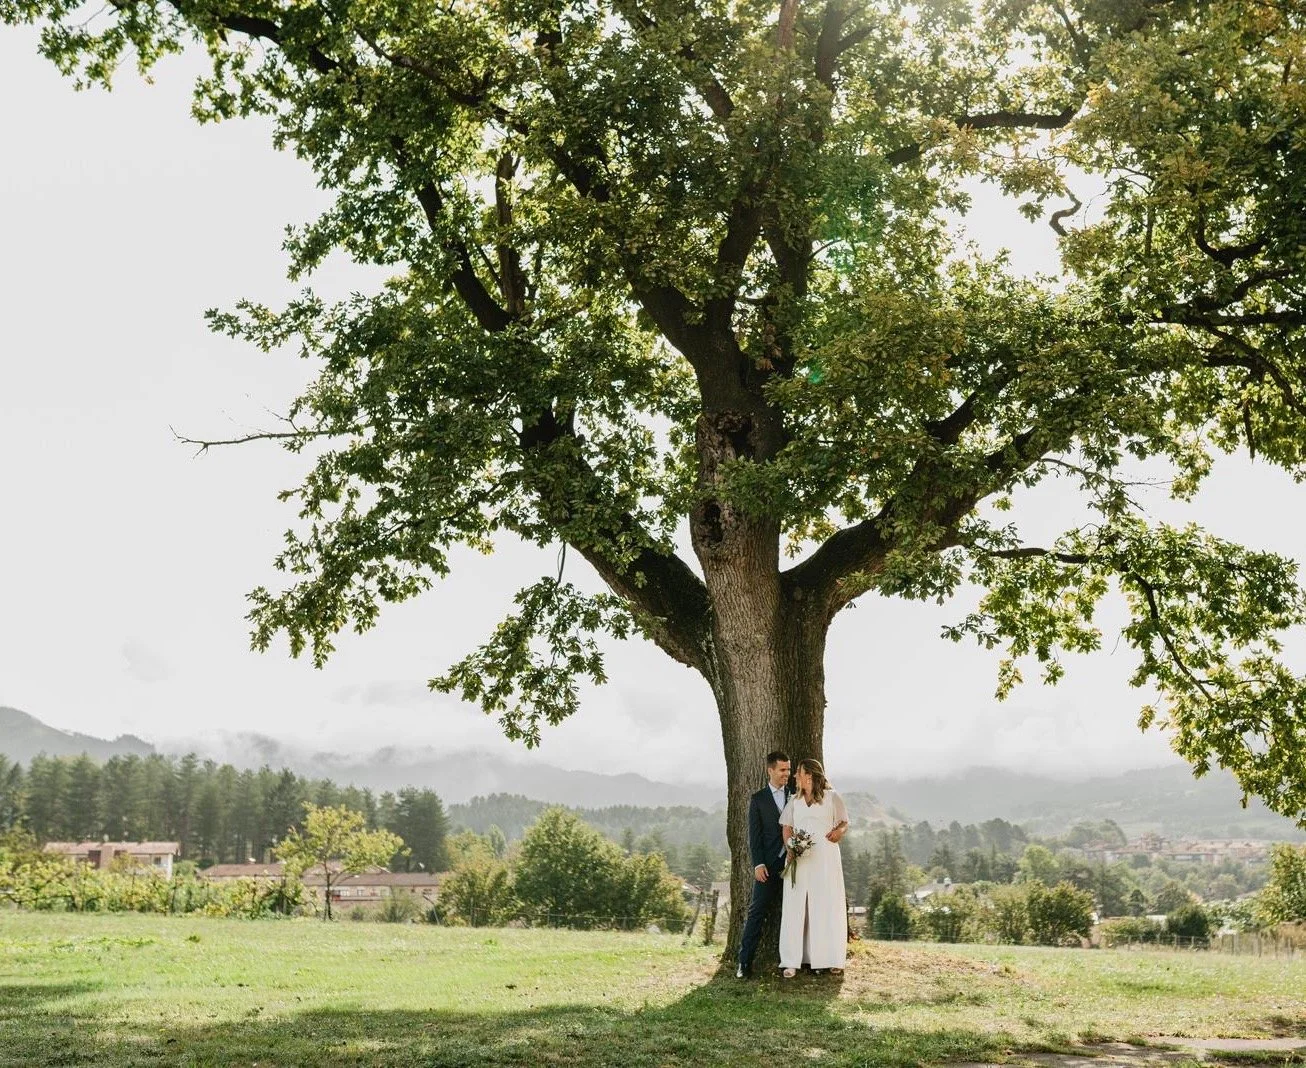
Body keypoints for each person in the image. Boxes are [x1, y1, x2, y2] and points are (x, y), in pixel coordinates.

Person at [779, 757, 849, 978]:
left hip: (826, 858)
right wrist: (791, 846)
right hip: (800, 858)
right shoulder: (794, 800)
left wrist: (839, 832)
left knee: (826, 904)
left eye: (798, 772)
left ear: (809, 775)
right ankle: (791, 960)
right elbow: (787, 828)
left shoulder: (832, 797)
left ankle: (831, 958)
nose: (794, 776)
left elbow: (844, 822)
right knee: (796, 906)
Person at [735, 750, 792, 979]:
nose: (786, 774)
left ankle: (794, 962)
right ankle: (744, 963)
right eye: (782, 770)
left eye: (788, 769)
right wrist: (758, 864)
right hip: (767, 866)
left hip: (792, 865)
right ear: (770, 770)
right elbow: (754, 836)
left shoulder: (796, 795)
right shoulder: (758, 799)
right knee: (756, 912)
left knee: (793, 913)